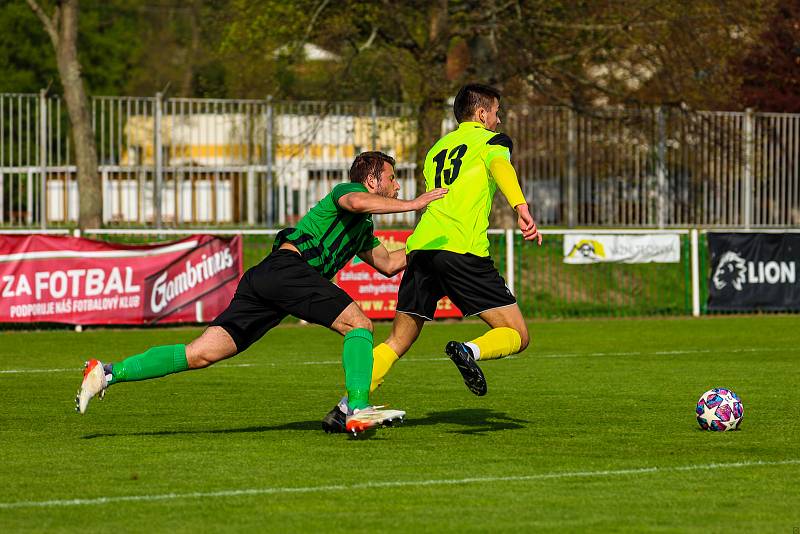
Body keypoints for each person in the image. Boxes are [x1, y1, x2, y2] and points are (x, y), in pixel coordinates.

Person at [76, 151, 448, 435]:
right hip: (287, 270)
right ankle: (358, 409)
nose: (398, 186)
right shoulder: (348, 192)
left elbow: (388, 263)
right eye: (392, 179)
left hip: (268, 280)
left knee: (201, 353)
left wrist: (431, 241)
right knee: (359, 324)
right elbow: (356, 203)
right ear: (371, 180)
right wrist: (413, 204)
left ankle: (107, 373)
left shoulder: (362, 228)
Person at [322, 84, 541, 432]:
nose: (499, 119)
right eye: (496, 112)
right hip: (461, 250)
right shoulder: (491, 142)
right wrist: (520, 206)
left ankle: (347, 406)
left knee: (398, 340)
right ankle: (469, 351)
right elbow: (501, 167)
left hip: (421, 249)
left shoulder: (437, 147)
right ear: (482, 114)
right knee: (517, 333)